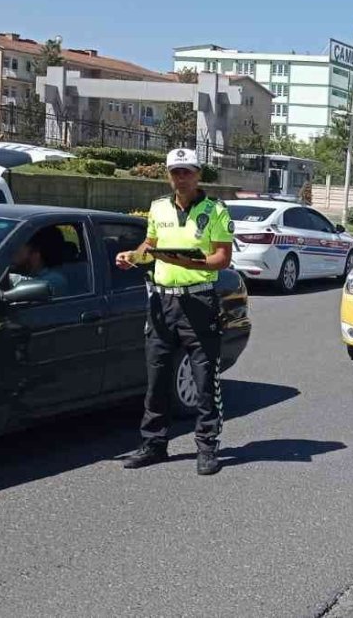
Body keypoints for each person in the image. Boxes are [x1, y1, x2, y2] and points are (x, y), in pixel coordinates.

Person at [115, 148, 233, 476]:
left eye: (187, 171)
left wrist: (189, 263)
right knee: (157, 376)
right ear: (168, 175)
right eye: (175, 172)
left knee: (204, 377)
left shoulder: (216, 211)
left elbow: (222, 259)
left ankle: (207, 446)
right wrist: (132, 257)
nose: (181, 177)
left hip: (198, 301)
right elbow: (149, 247)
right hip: (161, 302)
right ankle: (154, 444)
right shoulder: (158, 208)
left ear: (198, 174)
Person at [9, 226, 70, 296]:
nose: (14, 250)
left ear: (36, 253)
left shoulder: (55, 280)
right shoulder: (28, 272)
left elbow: (25, 286)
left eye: (19, 245)